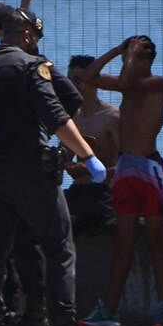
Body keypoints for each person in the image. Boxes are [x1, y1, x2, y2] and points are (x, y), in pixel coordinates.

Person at [0, 0, 106, 326]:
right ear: (27, 37)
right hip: (32, 172)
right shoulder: (33, 67)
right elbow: (58, 116)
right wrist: (87, 156)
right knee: (59, 249)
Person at [91, 35, 163, 326]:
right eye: (136, 54)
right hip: (126, 168)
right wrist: (116, 50)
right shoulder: (127, 83)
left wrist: (129, 55)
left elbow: (127, 84)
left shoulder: (156, 83)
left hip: (148, 167)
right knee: (122, 242)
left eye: (142, 55)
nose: (137, 60)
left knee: (155, 240)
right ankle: (108, 311)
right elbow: (89, 77)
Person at [62, 54, 122, 248]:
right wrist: (67, 165)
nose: (74, 86)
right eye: (70, 80)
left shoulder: (111, 117)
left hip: (102, 195)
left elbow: (126, 166)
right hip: (77, 191)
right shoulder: (71, 118)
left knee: (68, 224)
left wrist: (88, 171)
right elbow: (63, 156)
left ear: (93, 82)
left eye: (79, 80)